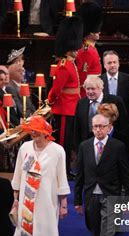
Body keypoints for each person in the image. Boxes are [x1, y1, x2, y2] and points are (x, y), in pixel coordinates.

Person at [11, 116, 70, 236]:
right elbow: (18, 174)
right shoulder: (25, 148)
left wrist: (64, 203)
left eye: (37, 130)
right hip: (26, 200)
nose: (33, 133)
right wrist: (15, 198)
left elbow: (62, 176)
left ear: (45, 132)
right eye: (31, 130)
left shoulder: (58, 150)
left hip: (47, 199)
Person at [74, 114, 129, 236]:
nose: (98, 129)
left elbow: (126, 175)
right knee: (95, 232)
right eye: (95, 126)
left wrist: (128, 200)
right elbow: (80, 176)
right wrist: (77, 201)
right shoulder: (84, 147)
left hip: (111, 195)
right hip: (91, 196)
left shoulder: (118, 147)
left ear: (109, 128)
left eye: (101, 126)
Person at [47, 16, 83, 176]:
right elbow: (56, 90)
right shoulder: (64, 66)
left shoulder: (70, 63)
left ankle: (66, 169)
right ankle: (61, 170)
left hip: (71, 107)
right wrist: (51, 101)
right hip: (63, 109)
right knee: (62, 143)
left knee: (68, 143)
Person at [73, 75, 129, 151]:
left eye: (93, 89)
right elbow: (77, 128)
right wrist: (77, 148)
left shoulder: (115, 101)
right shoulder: (81, 103)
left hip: (111, 147)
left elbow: (124, 126)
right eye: (88, 89)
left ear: (101, 88)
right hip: (87, 147)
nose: (90, 92)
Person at [100, 50, 129, 121]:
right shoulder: (99, 80)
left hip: (125, 118)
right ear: (104, 65)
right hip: (104, 118)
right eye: (109, 63)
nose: (112, 65)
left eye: (114, 62)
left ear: (118, 63)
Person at [76, 1, 103, 98]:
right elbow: (83, 80)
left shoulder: (90, 49)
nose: (99, 32)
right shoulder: (87, 51)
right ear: (90, 32)